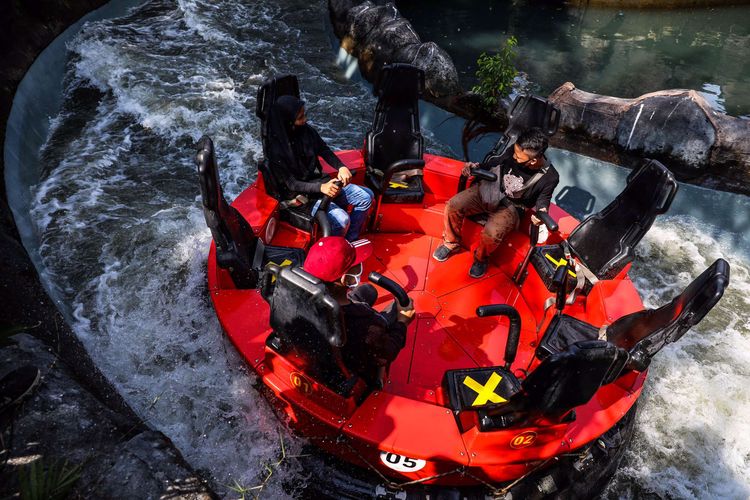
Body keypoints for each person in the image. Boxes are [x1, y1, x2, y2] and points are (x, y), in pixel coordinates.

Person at [432, 127, 559, 278]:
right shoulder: (515, 151)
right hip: (491, 188)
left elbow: (543, 200)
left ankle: (481, 258)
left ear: (533, 161)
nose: (514, 156)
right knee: (454, 205)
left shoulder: (550, 177)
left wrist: (542, 212)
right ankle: (451, 243)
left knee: (492, 233)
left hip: (512, 206)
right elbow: (497, 162)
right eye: (514, 152)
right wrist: (476, 166)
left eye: (519, 157)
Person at [303, 237, 415, 386]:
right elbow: (386, 352)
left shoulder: (300, 293)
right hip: (351, 361)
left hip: (325, 332)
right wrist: (403, 322)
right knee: (397, 309)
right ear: (346, 280)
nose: (360, 263)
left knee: (368, 290)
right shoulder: (366, 325)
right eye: (356, 263)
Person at [266, 95, 374, 241]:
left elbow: (324, 150)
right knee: (342, 221)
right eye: (300, 118)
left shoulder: (306, 131)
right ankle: (330, 249)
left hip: (320, 184)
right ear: (288, 122)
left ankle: (349, 240)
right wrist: (322, 188)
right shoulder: (275, 150)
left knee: (366, 197)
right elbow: (291, 184)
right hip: (301, 197)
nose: (305, 120)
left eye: (304, 115)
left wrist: (341, 167)